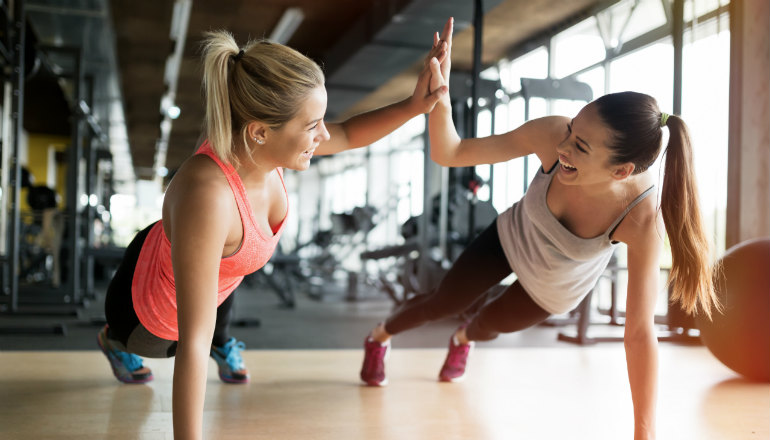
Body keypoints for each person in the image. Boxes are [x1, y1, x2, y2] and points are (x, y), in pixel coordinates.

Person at [360, 18, 719, 440]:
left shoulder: (641, 218)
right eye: (572, 132)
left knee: (487, 325)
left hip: (553, 287)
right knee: (441, 302)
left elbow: (639, 333)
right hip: (510, 238)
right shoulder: (552, 135)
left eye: (580, 148)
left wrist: (645, 432)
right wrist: (439, 96)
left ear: (621, 171)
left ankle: (464, 339)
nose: (563, 147)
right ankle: (378, 336)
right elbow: (451, 151)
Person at [97, 21, 451, 439]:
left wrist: (415, 105)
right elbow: (191, 344)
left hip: (216, 269)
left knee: (220, 299)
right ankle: (112, 342)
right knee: (173, 340)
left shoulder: (264, 147)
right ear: (259, 132)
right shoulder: (209, 195)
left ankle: (215, 329)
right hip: (146, 312)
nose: (322, 135)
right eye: (311, 125)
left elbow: (349, 132)